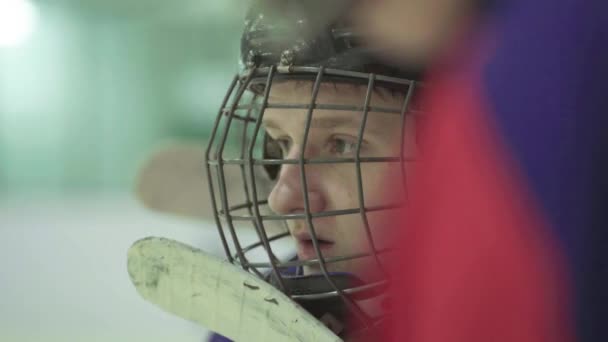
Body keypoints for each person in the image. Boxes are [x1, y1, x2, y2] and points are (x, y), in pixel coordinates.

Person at [204, 0, 420, 339]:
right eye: (281, 142)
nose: (282, 198)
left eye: (343, 145)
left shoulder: (513, 313)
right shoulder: (254, 323)